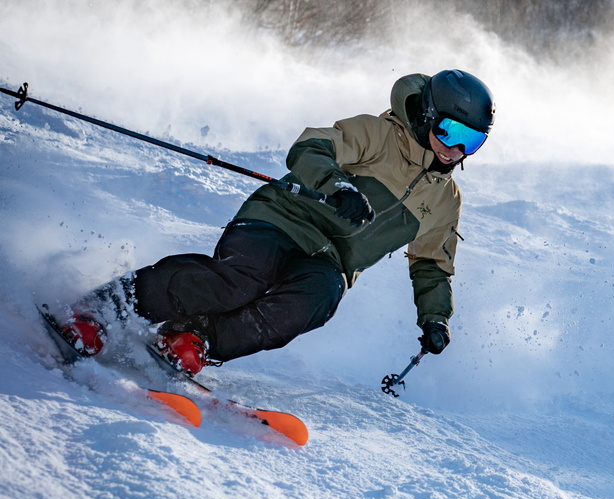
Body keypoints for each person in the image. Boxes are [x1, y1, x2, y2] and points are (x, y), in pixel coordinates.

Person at [53, 70, 494, 375]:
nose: (455, 150)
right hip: (282, 217)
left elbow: (432, 264)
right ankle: (104, 308)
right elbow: (311, 147)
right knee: (239, 281)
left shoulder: (445, 199)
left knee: (311, 303)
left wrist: (435, 318)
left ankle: (194, 338)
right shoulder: (380, 134)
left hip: (330, 259)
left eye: (471, 142)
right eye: (451, 132)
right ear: (429, 115)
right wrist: (338, 185)